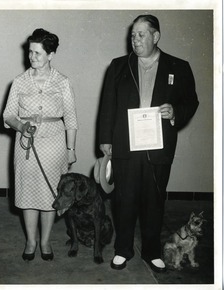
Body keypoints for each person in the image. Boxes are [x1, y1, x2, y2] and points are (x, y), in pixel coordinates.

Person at [99, 15, 199, 272]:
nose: (135, 40)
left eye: (141, 34)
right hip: (125, 145)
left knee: (154, 200)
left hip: (158, 146)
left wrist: (175, 111)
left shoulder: (179, 66)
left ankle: (152, 251)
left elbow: (191, 102)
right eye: (132, 35)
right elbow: (108, 105)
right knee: (124, 199)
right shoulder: (119, 65)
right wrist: (105, 140)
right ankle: (123, 250)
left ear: (156, 37)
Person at [3, 28, 78, 261]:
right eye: (30, 52)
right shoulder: (19, 82)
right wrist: (21, 126)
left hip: (55, 144)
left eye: (37, 53)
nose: (32, 56)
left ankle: (45, 241)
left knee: (49, 195)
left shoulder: (62, 82)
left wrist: (70, 149)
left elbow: (71, 118)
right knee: (27, 193)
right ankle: (30, 241)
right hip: (26, 144)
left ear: (51, 54)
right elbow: (7, 115)